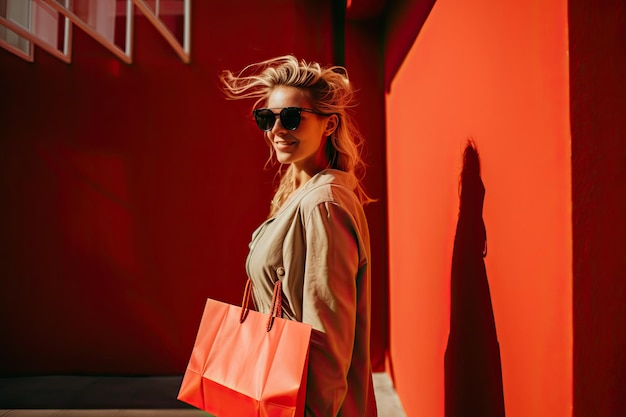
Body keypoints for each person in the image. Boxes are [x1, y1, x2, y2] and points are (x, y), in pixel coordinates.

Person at [220, 55, 377, 416]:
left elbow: (328, 338)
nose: (277, 129)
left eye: (291, 117)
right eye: (267, 118)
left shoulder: (323, 203)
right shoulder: (300, 193)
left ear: (328, 125)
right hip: (282, 391)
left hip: (305, 403)